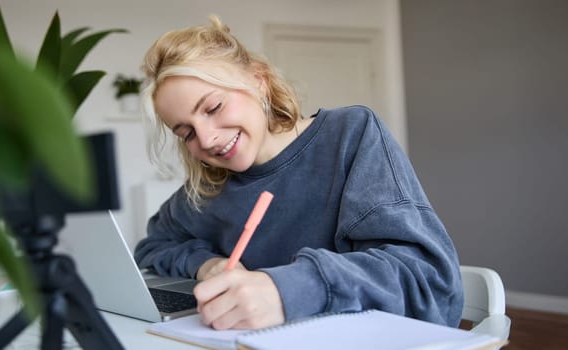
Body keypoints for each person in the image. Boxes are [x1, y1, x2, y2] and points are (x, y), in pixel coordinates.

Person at [133, 15, 463, 331]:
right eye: (186, 133)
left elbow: (425, 279)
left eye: (214, 107)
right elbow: (154, 246)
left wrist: (286, 290)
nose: (206, 139)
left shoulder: (350, 135)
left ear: (258, 81)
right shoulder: (207, 187)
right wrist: (207, 265)